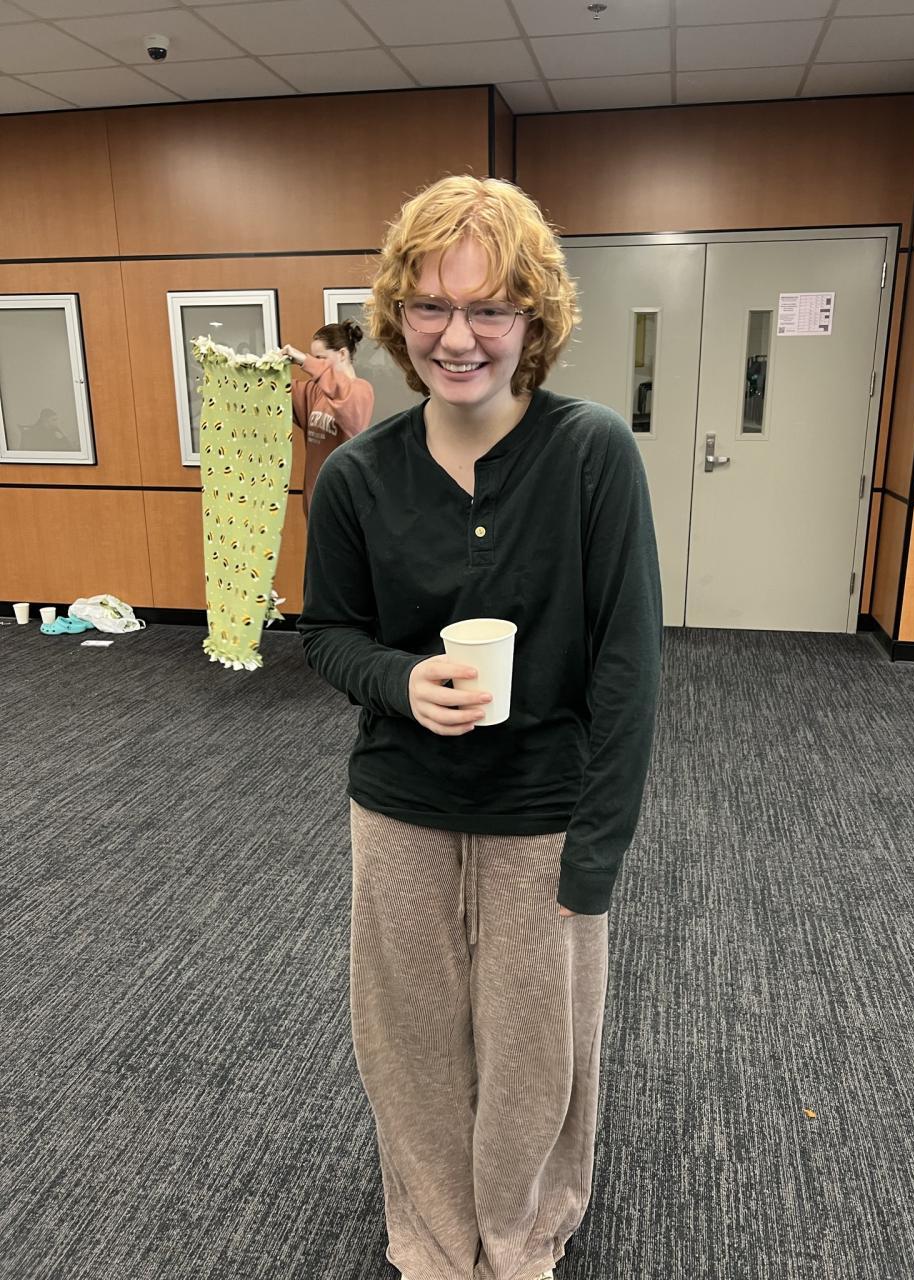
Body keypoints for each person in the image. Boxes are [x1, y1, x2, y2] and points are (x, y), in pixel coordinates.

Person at [298, 176, 662, 1280]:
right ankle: (434, 1237)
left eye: (490, 308)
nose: (458, 337)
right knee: (409, 1037)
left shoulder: (592, 453)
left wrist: (598, 851)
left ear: (533, 318)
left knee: (535, 1047)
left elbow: (628, 668)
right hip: (400, 802)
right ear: (398, 314)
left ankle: (521, 1231)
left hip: (544, 806)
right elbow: (328, 634)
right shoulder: (357, 476)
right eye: (431, 305)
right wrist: (401, 680)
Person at [282, 319, 374, 514]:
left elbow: (342, 394)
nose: (316, 364)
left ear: (342, 354)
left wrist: (305, 361)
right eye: (314, 359)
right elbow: (280, 391)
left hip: (343, 503)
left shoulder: (360, 391)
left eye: (321, 358)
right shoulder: (316, 393)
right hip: (316, 502)